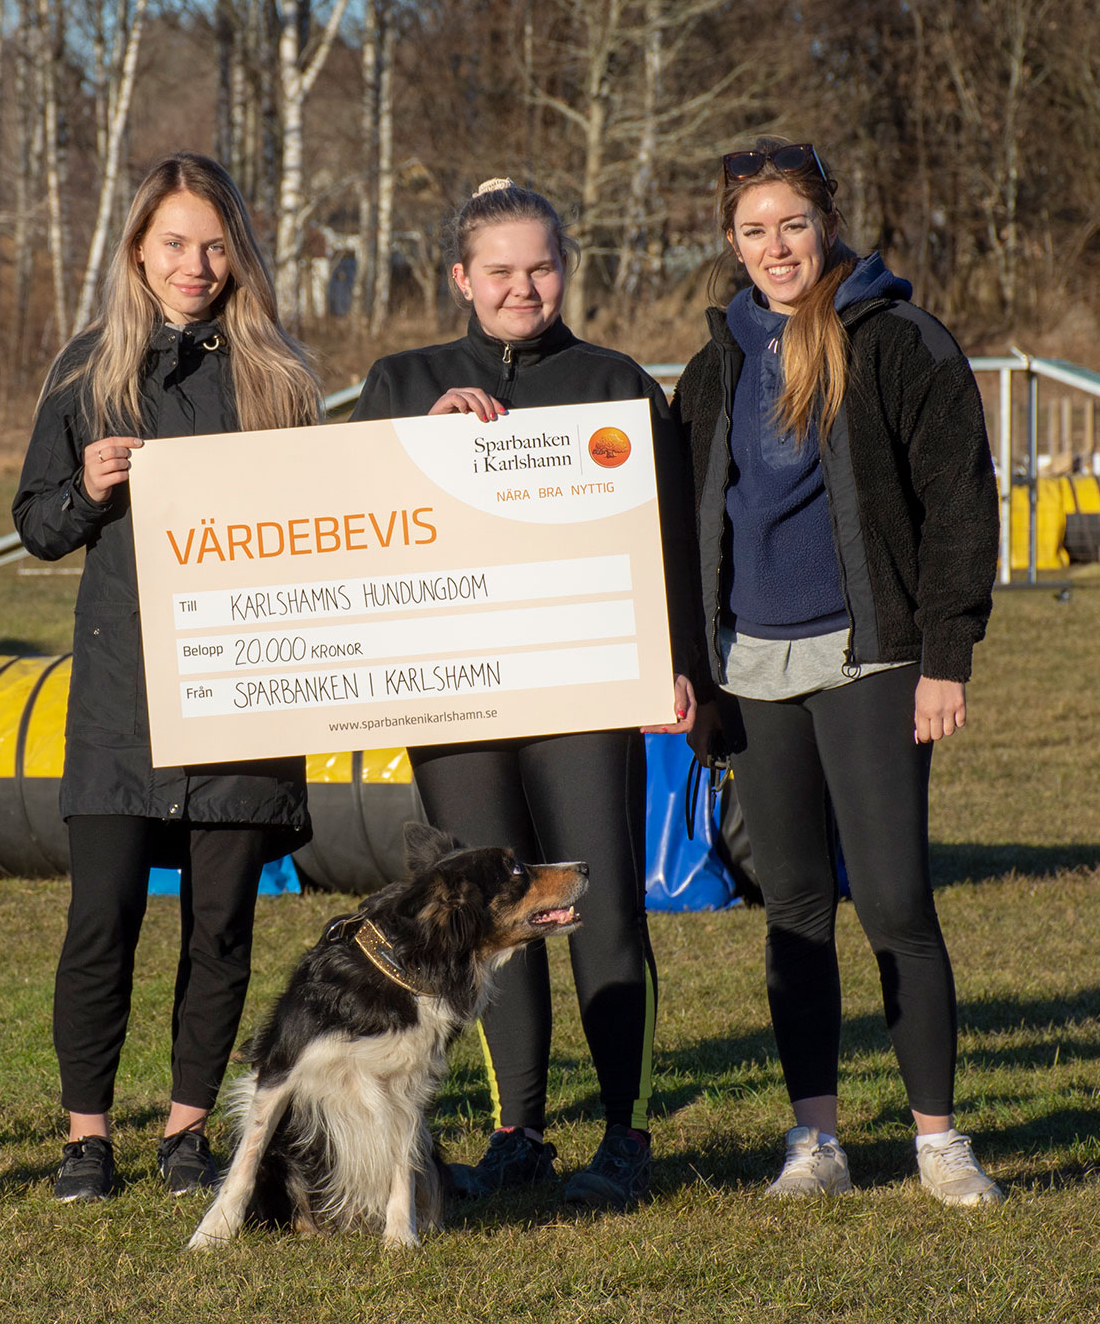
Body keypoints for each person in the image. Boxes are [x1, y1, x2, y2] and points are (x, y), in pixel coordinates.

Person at [349, 178, 704, 1212]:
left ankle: (625, 1133)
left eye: (538, 268)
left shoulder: (614, 383)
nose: (519, 287)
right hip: (458, 699)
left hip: (583, 691)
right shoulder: (400, 381)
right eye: (497, 271)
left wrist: (677, 659)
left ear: (564, 270)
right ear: (460, 278)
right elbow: (353, 516)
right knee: (485, 921)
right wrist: (423, 435)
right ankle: (517, 1133)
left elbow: (667, 539)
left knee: (594, 905)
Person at [676, 138, 1003, 1206]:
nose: (775, 248)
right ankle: (812, 1141)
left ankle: (936, 1142)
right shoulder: (713, 360)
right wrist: (698, 675)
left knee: (897, 903)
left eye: (792, 225)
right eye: (752, 231)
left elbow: (957, 503)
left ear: (825, 225)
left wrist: (943, 657)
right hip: (751, 668)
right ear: (729, 244)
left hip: (873, 658)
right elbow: (684, 527)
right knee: (793, 908)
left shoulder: (898, 339)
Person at [13, 152, 320, 1204]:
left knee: (221, 924)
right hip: (122, 697)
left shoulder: (280, 375)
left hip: (246, 693)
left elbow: (334, 524)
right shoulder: (88, 368)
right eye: (175, 243)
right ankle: (84, 1139)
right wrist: (89, 492)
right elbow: (35, 523)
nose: (196, 264)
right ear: (137, 249)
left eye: (215, 243)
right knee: (99, 922)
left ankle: (187, 1132)